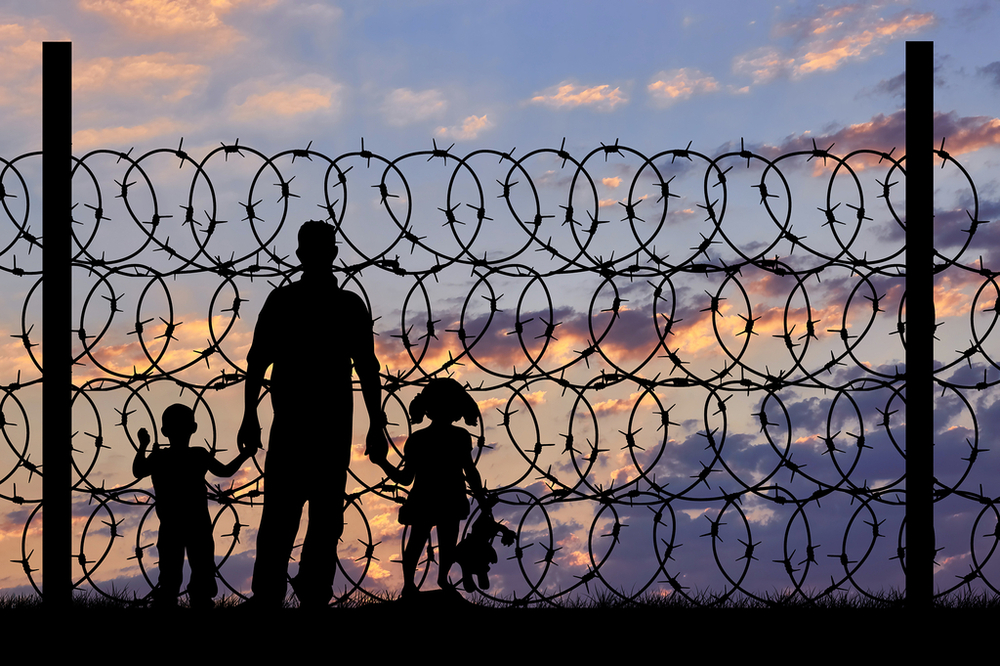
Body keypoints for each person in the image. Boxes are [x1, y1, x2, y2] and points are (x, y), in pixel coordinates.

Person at [238, 221, 386, 609]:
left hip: (303, 424)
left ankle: (283, 594)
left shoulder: (288, 301)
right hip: (321, 426)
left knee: (294, 515)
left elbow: (257, 362)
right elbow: (367, 369)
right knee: (312, 515)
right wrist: (376, 422)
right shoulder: (342, 305)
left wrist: (250, 415)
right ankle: (303, 593)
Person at [133, 403, 253, 609]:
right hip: (198, 523)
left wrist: (143, 446)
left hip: (171, 523)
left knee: (171, 570)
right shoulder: (198, 455)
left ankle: (167, 602)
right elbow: (224, 471)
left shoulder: (160, 457)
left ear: (164, 431)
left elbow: (138, 470)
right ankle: (200, 602)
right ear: (194, 428)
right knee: (202, 567)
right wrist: (246, 454)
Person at [372, 377, 484, 597]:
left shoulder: (420, 439)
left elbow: (405, 478)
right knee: (443, 542)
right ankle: (432, 581)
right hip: (449, 497)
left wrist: (382, 462)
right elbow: (470, 471)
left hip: (426, 498)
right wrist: (481, 498)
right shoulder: (458, 436)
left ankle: (413, 584)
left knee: (421, 542)